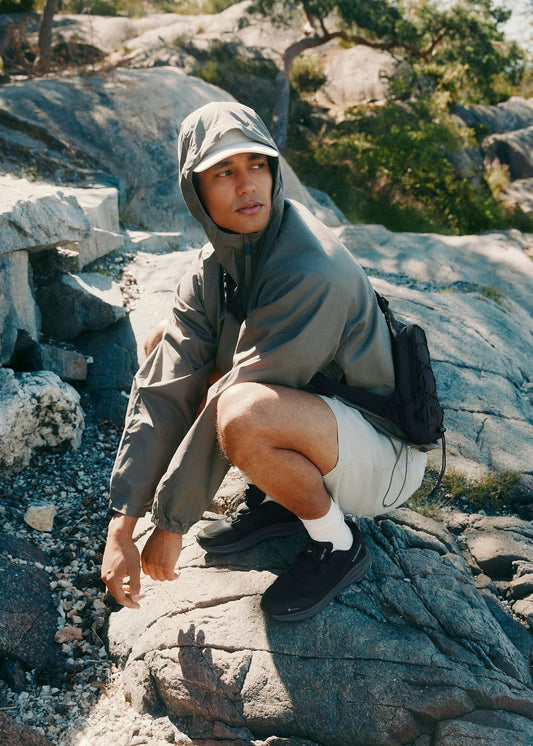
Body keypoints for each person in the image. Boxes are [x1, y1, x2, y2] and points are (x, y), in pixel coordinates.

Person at [101, 101, 427, 622]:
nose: (247, 185)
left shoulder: (311, 268)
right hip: (325, 430)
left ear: (274, 171)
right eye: (224, 172)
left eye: (257, 164)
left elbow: (246, 390)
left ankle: (338, 543)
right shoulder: (215, 267)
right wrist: (121, 526)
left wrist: (169, 525)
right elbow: (166, 388)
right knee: (166, 344)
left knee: (243, 413)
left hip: (383, 455)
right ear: (195, 190)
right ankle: (281, 502)